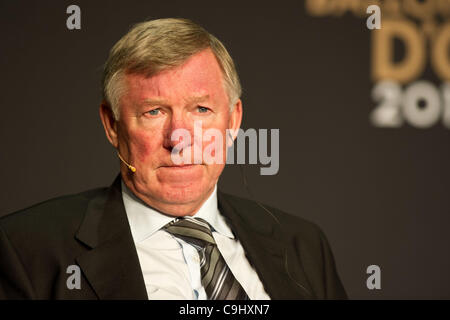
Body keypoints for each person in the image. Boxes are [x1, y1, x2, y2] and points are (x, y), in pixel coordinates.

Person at [0, 18, 347, 300]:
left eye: (201, 109)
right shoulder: (26, 251)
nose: (179, 139)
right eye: (153, 111)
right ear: (112, 125)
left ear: (233, 120)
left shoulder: (303, 245)